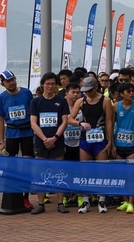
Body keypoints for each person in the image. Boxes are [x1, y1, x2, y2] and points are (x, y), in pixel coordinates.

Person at [69, 76, 113, 214]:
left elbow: (109, 122)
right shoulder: (81, 101)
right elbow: (70, 119)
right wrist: (80, 123)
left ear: (96, 87)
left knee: (102, 171)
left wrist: (110, 141)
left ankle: (101, 199)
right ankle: (85, 200)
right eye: (85, 91)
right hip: (85, 140)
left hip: (100, 140)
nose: (87, 93)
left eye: (90, 90)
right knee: (85, 171)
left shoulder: (105, 101)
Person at [29, 72, 70, 214]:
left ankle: (60, 203)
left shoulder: (61, 101)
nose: (50, 86)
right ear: (42, 85)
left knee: (59, 172)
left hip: (57, 141)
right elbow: (33, 123)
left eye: (53, 84)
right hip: (41, 142)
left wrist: (55, 137)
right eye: (47, 84)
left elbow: (64, 121)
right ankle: (41, 203)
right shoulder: (35, 102)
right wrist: (45, 139)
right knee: (40, 172)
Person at [0, 70, 34, 209]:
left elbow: (33, 114)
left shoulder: (26, 93)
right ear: (3, 84)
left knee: (27, 165)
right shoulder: (2, 97)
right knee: (10, 166)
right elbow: (1, 119)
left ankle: (25, 198)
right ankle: (12, 195)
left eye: (12, 79)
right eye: (8, 81)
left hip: (27, 133)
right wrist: (1, 140)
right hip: (11, 134)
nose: (11, 83)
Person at [112, 82, 134, 214]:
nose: (131, 93)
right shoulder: (115, 106)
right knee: (121, 174)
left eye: (132, 91)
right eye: (128, 91)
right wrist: (112, 144)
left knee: (131, 174)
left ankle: (131, 202)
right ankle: (125, 201)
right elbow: (110, 124)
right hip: (118, 144)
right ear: (121, 94)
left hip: (132, 144)